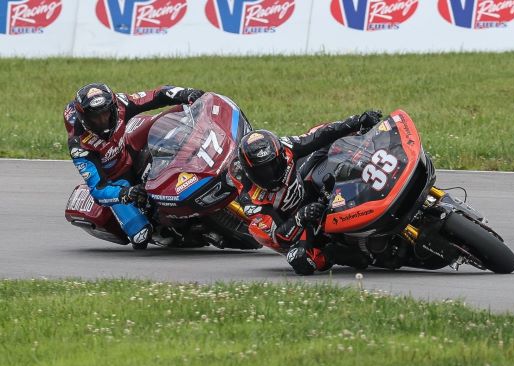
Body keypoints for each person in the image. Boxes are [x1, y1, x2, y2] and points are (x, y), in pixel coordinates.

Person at [231, 110, 382, 275]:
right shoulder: (250, 198)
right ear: (250, 172)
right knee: (300, 259)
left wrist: (356, 122)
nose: (271, 173)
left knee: (330, 143)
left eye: (274, 164)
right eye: (263, 171)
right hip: (292, 223)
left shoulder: (285, 147)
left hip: (304, 189)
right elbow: (280, 236)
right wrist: (300, 217)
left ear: (280, 154)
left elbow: (319, 135)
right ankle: (332, 254)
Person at [63, 83, 204, 249]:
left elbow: (156, 95)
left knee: (177, 114)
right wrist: (126, 193)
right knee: (140, 236)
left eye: (106, 114)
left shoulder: (121, 104)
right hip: (117, 182)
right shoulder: (80, 146)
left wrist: (186, 94)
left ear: (113, 108)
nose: (102, 121)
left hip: (131, 149)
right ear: (85, 119)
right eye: (96, 117)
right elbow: (98, 189)